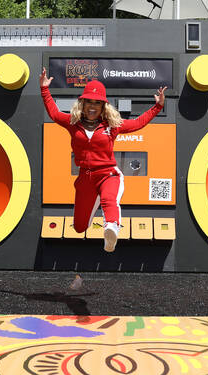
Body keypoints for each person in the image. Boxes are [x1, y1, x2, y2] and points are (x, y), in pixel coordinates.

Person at [40, 67, 166, 252]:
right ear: (82, 104)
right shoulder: (72, 123)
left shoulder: (112, 125)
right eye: (88, 102)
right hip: (86, 178)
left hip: (108, 175)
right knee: (80, 227)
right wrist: (44, 89)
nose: (92, 106)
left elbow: (138, 123)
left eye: (97, 103)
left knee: (109, 200)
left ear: (103, 107)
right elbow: (53, 113)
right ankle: (98, 219)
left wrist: (158, 107)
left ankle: (111, 230)